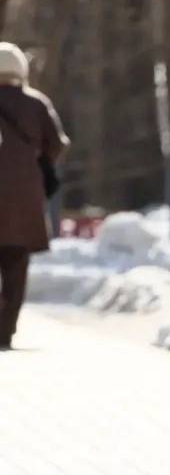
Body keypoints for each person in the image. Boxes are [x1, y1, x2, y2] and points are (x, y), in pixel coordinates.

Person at [0, 42, 69, 351]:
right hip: (23, 199)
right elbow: (57, 143)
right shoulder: (37, 104)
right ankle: (5, 330)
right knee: (16, 266)